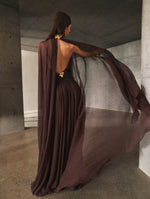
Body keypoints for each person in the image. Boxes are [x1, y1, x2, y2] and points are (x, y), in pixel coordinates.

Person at [31, 11, 150, 196]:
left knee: (57, 128)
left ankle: (55, 168)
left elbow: (46, 77)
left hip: (55, 94)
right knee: (72, 130)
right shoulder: (68, 46)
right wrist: (104, 53)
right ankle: (68, 167)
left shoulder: (41, 46)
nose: (70, 30)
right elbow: (91, 53)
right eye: (69, 27)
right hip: (72, 91)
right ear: (64, 26)